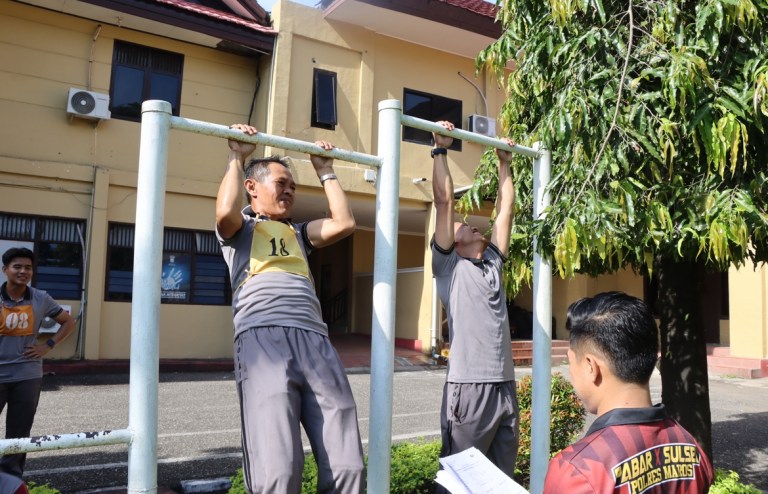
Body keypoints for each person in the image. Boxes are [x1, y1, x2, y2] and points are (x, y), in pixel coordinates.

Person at [216, 124, 364, 494]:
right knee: (278, 467)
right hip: (262, 338)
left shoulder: (299, 234)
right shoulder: (241, 230)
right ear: (252, 187)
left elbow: (344, 223)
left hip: (316, 341)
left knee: (347, 463)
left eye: (293, 187)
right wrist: (237, 156)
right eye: (281, 183)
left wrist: (325, 170)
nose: (289, 192)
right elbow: (224, 212)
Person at [543, 291, 714, 493]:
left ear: (591, 366)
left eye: (570, 362)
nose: (570, 373)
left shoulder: (577, 471)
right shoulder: (692, 449)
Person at [430, 120, 520, 479]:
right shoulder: (448, 267)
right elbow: (443, 202)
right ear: (451, 242)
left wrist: (504, 163)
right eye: (460, 225)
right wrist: (440, 148)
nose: (467, 222)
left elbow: (506, 210)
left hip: (505, 385)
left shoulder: (493, 264)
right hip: (468, 387)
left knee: (499, 480)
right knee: (460, 480)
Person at [0, 247, 76, 479]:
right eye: (17, 267)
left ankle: (10, 479)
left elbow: (68, 322)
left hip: (28, 375)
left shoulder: (41, 298)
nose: (23, 271)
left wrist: (48, 345)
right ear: (5, 270)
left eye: (28, 268)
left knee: (19, 432)